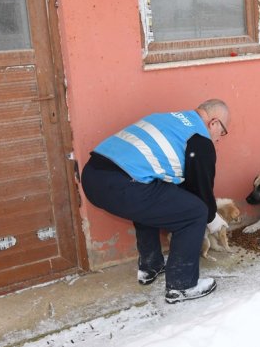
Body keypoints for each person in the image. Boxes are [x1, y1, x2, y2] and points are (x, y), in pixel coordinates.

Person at [81, 99, 231, 304]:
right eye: (222, 132)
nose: (219, 138)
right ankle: (182, 285)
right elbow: (201, 190)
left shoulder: (167, 119)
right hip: (122, 185)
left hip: (92, 176)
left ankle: (150, 265)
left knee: (154, 199)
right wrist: (211, 217)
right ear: (214, 123)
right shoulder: (200, 140)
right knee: (195, 212)